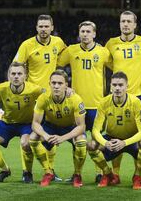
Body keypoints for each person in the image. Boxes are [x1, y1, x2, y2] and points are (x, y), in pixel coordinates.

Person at [13, 14, 67, 181]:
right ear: (36, 28)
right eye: (40, 26)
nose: (43, 29)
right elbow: (15, 66)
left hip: (51, 96)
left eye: (46, 26)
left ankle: (49, 170)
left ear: (52, 28)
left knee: (50, 136)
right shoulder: (27, 45)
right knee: (28, 138)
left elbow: (68, 56)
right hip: (31, 98)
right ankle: (26, 172)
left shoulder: (58, 43)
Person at [57, 21, 111, 183]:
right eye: (83, 31)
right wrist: (65, 85)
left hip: (97, 105)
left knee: (96, 141)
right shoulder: (71, 50)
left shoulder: (103, 52)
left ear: (94, 34)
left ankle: (100, 173)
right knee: (77, 142)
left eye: (88, 31)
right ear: (79, 33)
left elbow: (118, 68)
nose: (85, 34)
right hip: (77, 105)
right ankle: (77, 173)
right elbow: (57, 65)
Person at [105, 10, 141, 186]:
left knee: (140, 138)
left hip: (138, 96)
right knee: (115, 133)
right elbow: (108, 64)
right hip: (117, 96)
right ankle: (116, 174)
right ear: (119, 24)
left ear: (135, 24)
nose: (125, 24)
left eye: (129, 21)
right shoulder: (111, 44)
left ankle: (137, 175)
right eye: (122, 21)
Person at [87, 71, 141, 190]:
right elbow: (95, 130)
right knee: (91, 145)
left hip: (131, 140)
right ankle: (107, 173)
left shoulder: (136, 102)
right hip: (112, 139)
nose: (117, 88)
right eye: (114, 85)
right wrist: (105, 143)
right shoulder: (104, 102)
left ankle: (137, 176)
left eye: (121, 85)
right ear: (110, 86)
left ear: (127, 86)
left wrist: (124, 143)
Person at [0, 62, 44, 183]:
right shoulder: (0, 89)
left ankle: (27, 173)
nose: (16, 76)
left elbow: (49, 94)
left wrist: (67, 90)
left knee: (25, 143)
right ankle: (5, 170)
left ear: (25, 76)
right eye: (13, 73)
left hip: (26, 124)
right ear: (9, 75)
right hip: (7, 124)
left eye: (19, 73)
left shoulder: (34, 89)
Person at [29, 70, 86, 187]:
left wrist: (62, 138)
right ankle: (48, 172)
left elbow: (81, 126)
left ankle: (77, 174)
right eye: (53, 83)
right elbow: (35, 123)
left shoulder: (75, 99)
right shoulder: (43, 98)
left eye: (60, 83)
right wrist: (45, 135)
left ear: (66, 85)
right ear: (49, 84)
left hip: (70, 128)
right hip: (51, 127)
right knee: (33, 138)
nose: (56, 86)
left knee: (81, 141)